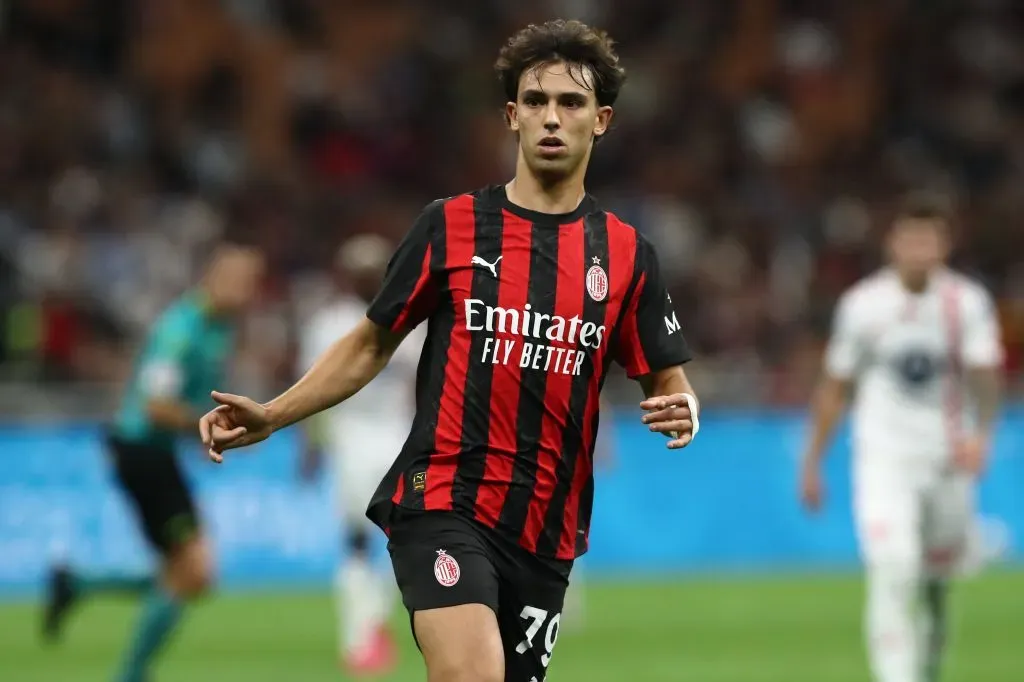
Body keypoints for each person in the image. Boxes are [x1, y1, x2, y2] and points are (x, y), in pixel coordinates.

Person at [199, 20, 700, 682]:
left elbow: (666, 375)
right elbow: (371, 342)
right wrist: (275, 413)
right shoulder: (451, 227)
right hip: (443, 499)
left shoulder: (630, 256)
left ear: (601, 120)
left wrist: (682, 406)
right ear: (511, 115)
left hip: (547, 528)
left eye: (571, 103)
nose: (552, 117)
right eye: (536, 101)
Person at [799, 192, 1004, 682]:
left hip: (946, 459)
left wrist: (982, 434)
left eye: (928, 240)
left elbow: (984, 374)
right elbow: (835, 386)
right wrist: (812, 461)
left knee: (935, 582)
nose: (918, 249)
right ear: (893, 244)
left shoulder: (966, 302)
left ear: (944, 246)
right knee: (893, 571)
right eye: (909, 238)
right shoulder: (863, 305)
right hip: (883, 458)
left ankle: (928, 666)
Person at [42, 244, 265, 682]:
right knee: (195, 570)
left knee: (186, 573)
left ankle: (77, 585)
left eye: (252, 282)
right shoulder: (180, 330)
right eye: (238, 280)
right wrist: (206, 428)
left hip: (154, 453)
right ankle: (129, 673)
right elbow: (156, 407)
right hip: (141, 450)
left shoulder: (219, 328)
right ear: (212, 277)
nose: (246, 291)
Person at [297, 234, 424, 674]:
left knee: (384, 542)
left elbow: (311, 391)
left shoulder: (401, 321)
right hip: (364, 440)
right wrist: (311, 446)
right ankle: (365, 634)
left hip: (386, 441)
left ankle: (364, 633)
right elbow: (310, 391)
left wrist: (310, 448)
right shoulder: (342, 323)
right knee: (374, 542)